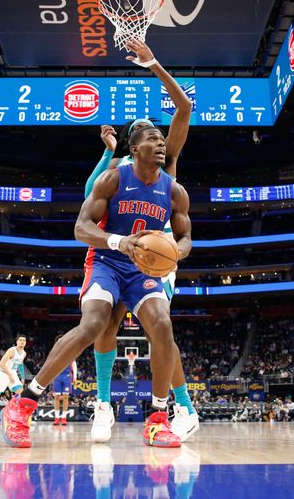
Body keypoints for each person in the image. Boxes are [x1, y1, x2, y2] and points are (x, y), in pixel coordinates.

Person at [1, 123, 193, 448]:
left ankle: (158, 418)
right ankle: (23, 404)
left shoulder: (174, 190)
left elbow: (185, 236)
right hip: (107, 261)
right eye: (152, 140)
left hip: (141, 270)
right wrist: (119, 242)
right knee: (93, 325)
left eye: (162, 140)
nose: (161, 144)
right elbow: (81, 228)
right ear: (134, 149)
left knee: (162, 326)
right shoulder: (114, 177)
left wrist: (176, 251)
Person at [84, 38, 197, 444]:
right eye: (145, 135)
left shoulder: (168, 163)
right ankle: (102, 404)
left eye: (156, 133)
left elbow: (183, 108)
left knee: (160, 328)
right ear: (134, 147)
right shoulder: (118, 170)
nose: (155, 139)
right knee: (107, 321)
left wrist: (153, 62)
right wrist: (106, 154)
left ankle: (180, 406)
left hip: (160, 251)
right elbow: (87, 205)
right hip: (122, 250)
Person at [52, 351, 77, 426]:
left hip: (67, 377)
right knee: (57, 397)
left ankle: (63, 418)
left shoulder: (70, 352)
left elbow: (74, 364)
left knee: (66, 397)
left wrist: (75, 377)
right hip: (57, 376)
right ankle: (56, 418)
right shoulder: (55, 353)